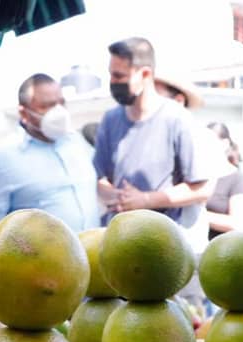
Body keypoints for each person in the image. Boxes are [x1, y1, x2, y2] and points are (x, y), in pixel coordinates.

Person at [92, 37, 214, 255]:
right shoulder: (110, 120)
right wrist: (119, 197)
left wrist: (145, 200)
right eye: (111, 74)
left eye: (119, 76)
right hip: (124, 246)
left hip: (172, 250)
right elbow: (100, 178)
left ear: (145, 74)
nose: (113, 82)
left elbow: (203, 188)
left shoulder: (178, 119)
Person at [0, 73, 100, 231]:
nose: (58, 112)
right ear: (24, 113)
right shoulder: (3, 158)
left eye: (61, 103)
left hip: (94, 251)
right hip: (43, 255)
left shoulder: (76, 142)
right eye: (47, 106)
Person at [203, 122, 243, 239]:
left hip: (222, 251)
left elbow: (239, 223)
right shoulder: (199, 175)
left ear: (225, 143)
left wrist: (200, 216)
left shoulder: (237, 179)